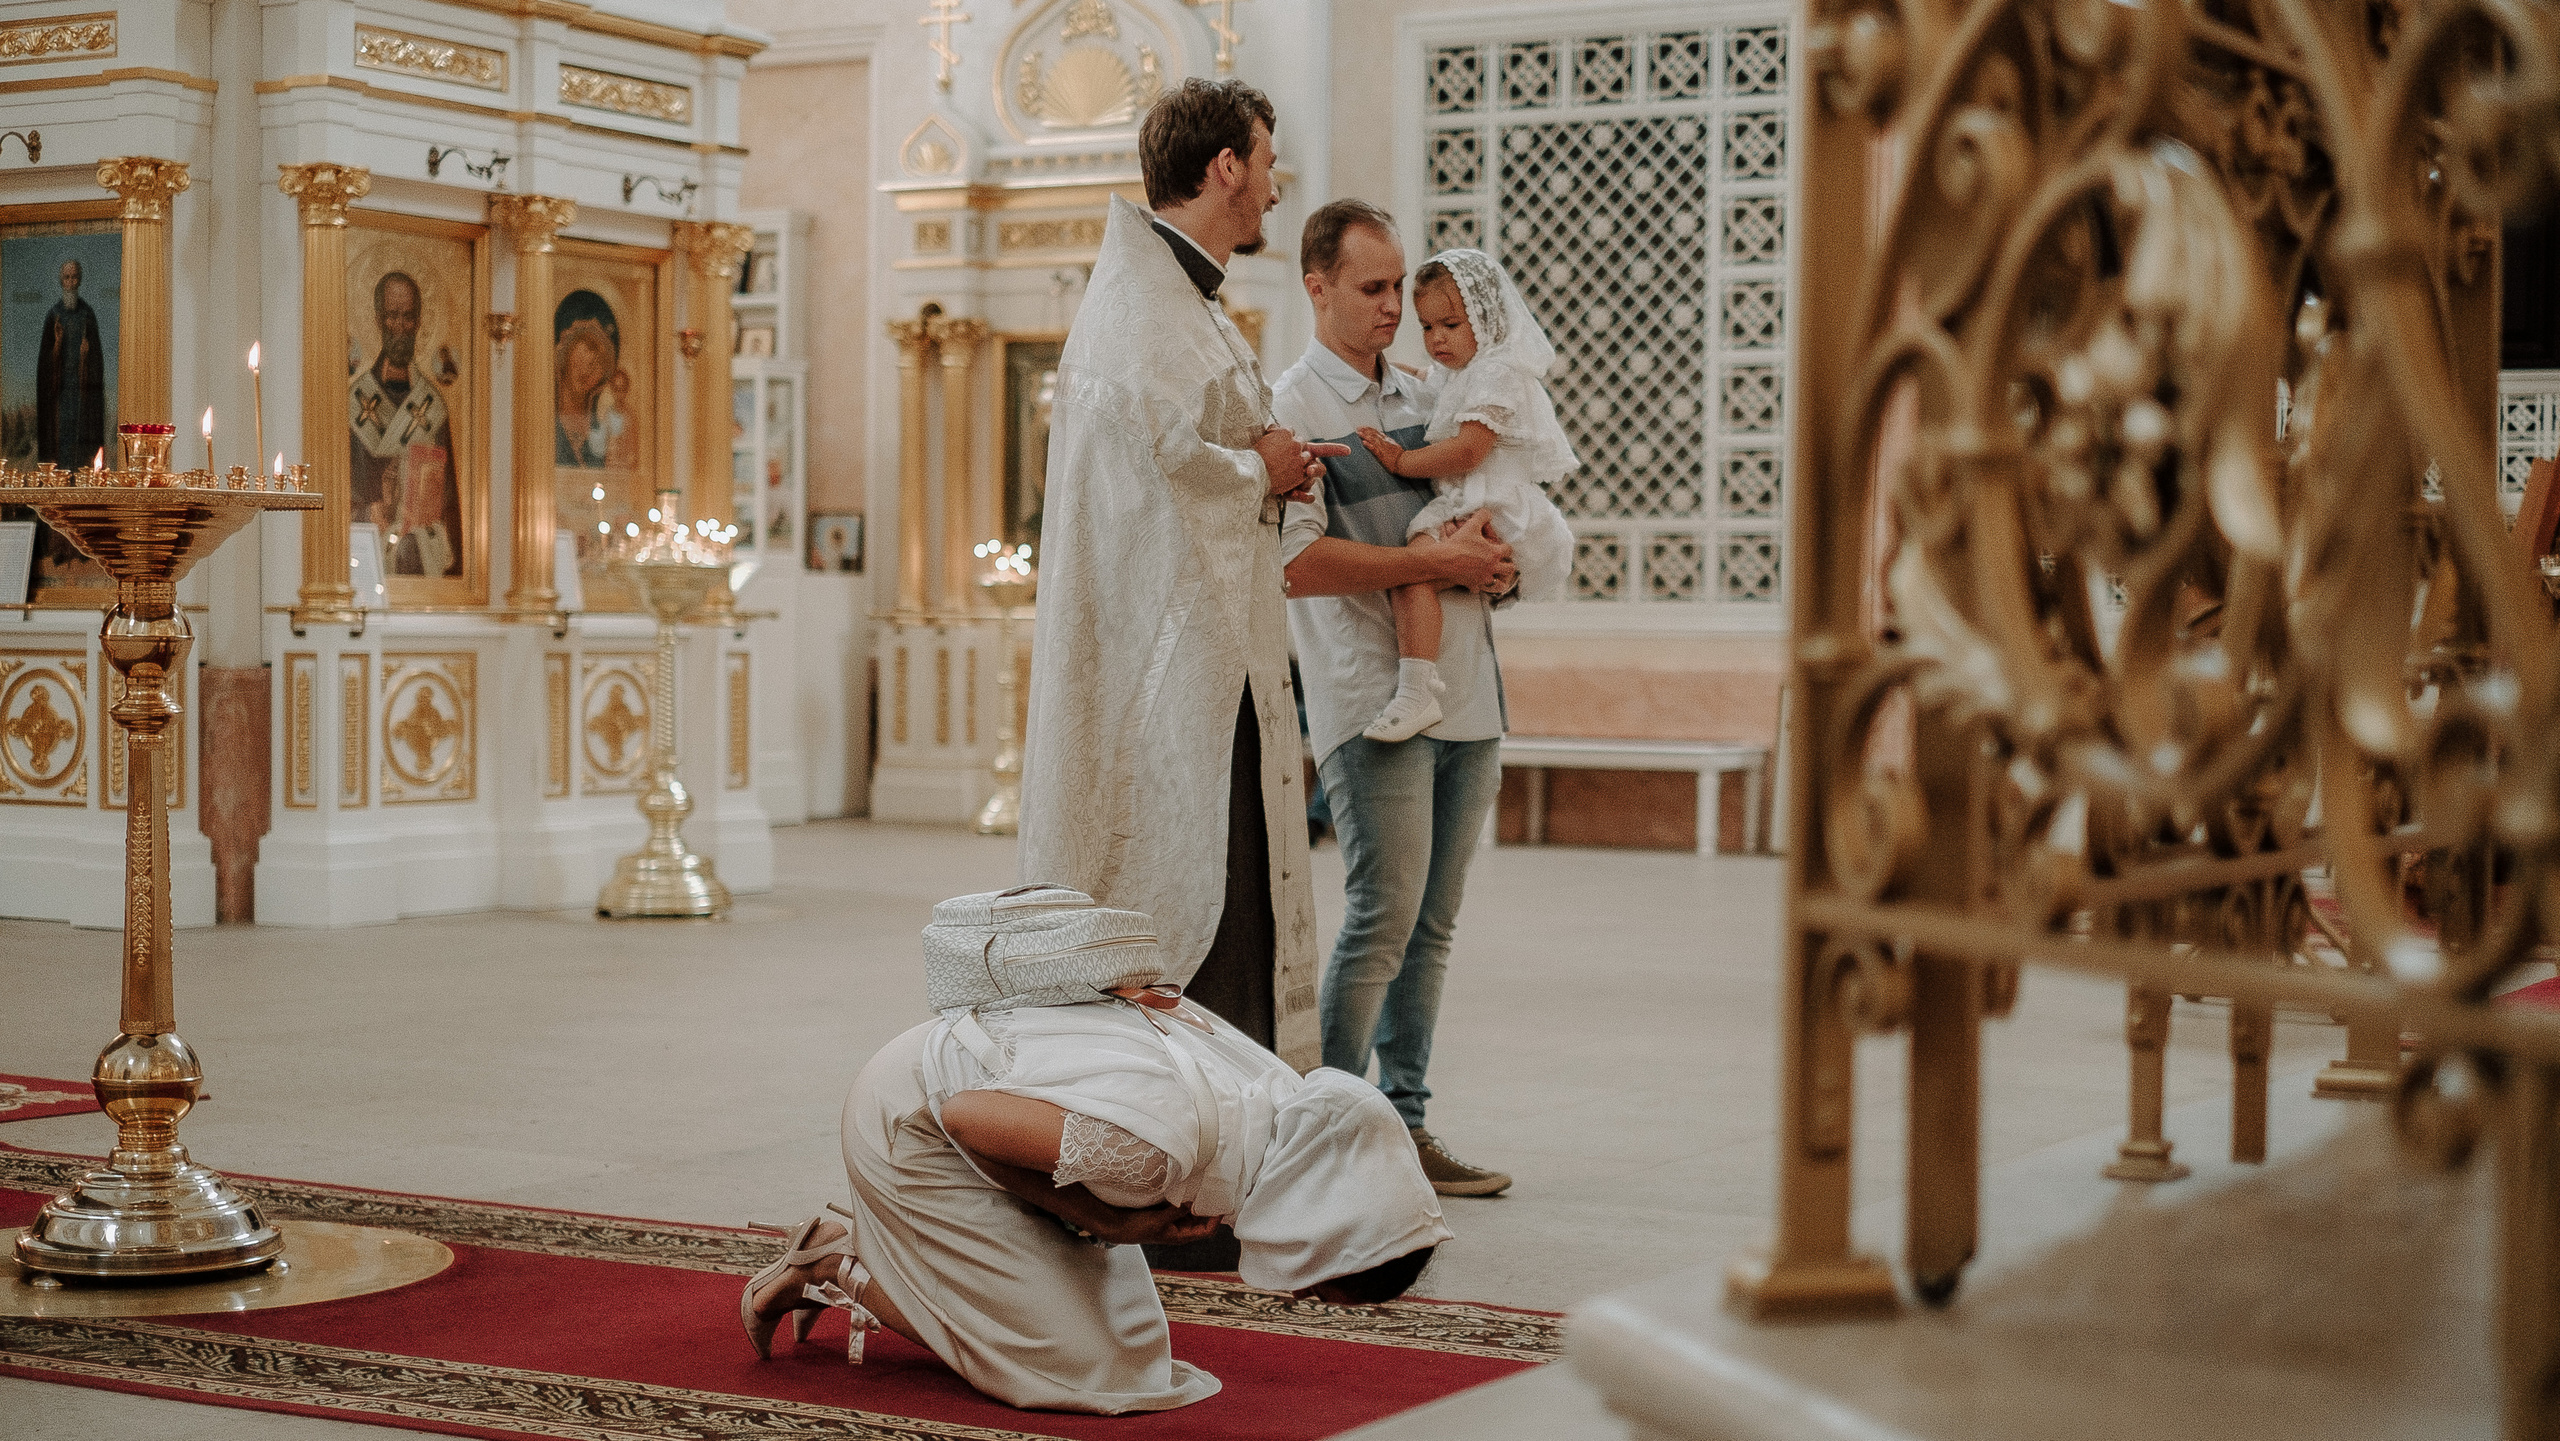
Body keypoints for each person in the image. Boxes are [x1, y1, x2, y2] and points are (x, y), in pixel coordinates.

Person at [739, 943, 1451, 1413]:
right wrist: (1109, 1222)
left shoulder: (1276, 1108)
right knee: (1066, 1369)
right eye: (1321, 1284)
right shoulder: (1160, 1154)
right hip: (909, 1121)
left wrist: (1103, 1218)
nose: (1300, 1293)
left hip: (990, 1109)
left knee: (1132, 1352)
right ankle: (836, 1260)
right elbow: (960, 1114)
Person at [1018, 79, 1343, 1067]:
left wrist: (1269, 464)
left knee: (1237, 926)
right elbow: (1155, 486)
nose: (1277, 189)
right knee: (1199, 934)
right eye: (1269, 163)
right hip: (1175, 707)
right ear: (1226, 166)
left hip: (1216, 681)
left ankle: (1228, 1166)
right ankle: (1190, 1184)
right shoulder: (1144, 311)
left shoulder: (1178, 301)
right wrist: (1263, 468)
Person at [1273, 201, 1522, 1197]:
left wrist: (1499, 568)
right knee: (1382, 914)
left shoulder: (1437, 391)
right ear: (1317, 286)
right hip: (1369, 693)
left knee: (1435, 922)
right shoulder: (1291, 409)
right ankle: (1328, 1136)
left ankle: (1407, 1127)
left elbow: (1492, 512)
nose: (1394, 308)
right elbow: (1296, 564)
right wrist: (1427, 557)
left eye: (1398, 286)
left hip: (1468, 687)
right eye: (1372, 289)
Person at [1352, 249, 1576, 741]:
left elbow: (1470, 449)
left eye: (1450, 324)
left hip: (1494, 505)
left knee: (1414, 570)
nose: (1437, 340)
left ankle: (1416, 692)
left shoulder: (1497, 372)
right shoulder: (1466, 373)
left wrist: (1401, 461)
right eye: (1429, 327)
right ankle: (1419, 690)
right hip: (1475, 502)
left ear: (1486, 317)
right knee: (1415, 575)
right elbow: (1435, 385)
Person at [349, 271, 460, 577]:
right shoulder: (355, 402)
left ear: (419, 321)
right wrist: (371, 512)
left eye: (408, 317)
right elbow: (340, 503)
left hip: (422, 561)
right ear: (377, 319)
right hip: (366, 559)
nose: (399, 326)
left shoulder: (433, 406)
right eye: (392, 316)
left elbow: (448, 506)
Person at [36, 258, 106, 471]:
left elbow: (97, 361)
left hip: (83, 390)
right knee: (61, 435)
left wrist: (87, 353)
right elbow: (44, 364)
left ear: (80, 280)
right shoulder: (54, 315)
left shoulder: (87, 314)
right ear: (61, 281)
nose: (71, 281)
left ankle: (80, 477)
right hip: (60, 391)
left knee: (81, 434)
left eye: (75, 277)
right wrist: (57, 346)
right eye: (67, 277)